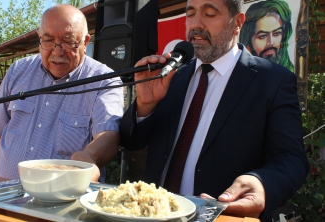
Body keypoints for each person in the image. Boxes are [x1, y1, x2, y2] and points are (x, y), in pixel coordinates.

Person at [119, 0, 309, 221]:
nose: (196, 24)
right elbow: (131, 141)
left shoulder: (272, 81)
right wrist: (145, 105)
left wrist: (262, 183)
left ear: (237, 23)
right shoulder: (173, 76)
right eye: (190, 14)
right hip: (155, 213)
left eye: (209, 14)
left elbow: (291, 158)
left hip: (221, 215)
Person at [0, 4, 124, 182]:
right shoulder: (18, 70)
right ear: (39, 38)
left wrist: (91, 156)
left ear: (85, 41)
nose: (57, 51)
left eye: (68, 41)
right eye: (48, 40)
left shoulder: (104, 81)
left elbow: (108, 134)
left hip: (60, 206)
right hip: (3, 197)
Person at [239, 0, 294, 73]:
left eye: (276, 34)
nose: (270, 42)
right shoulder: (239, 76)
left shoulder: (288, 75)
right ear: (248, 43)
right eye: (262, 36)